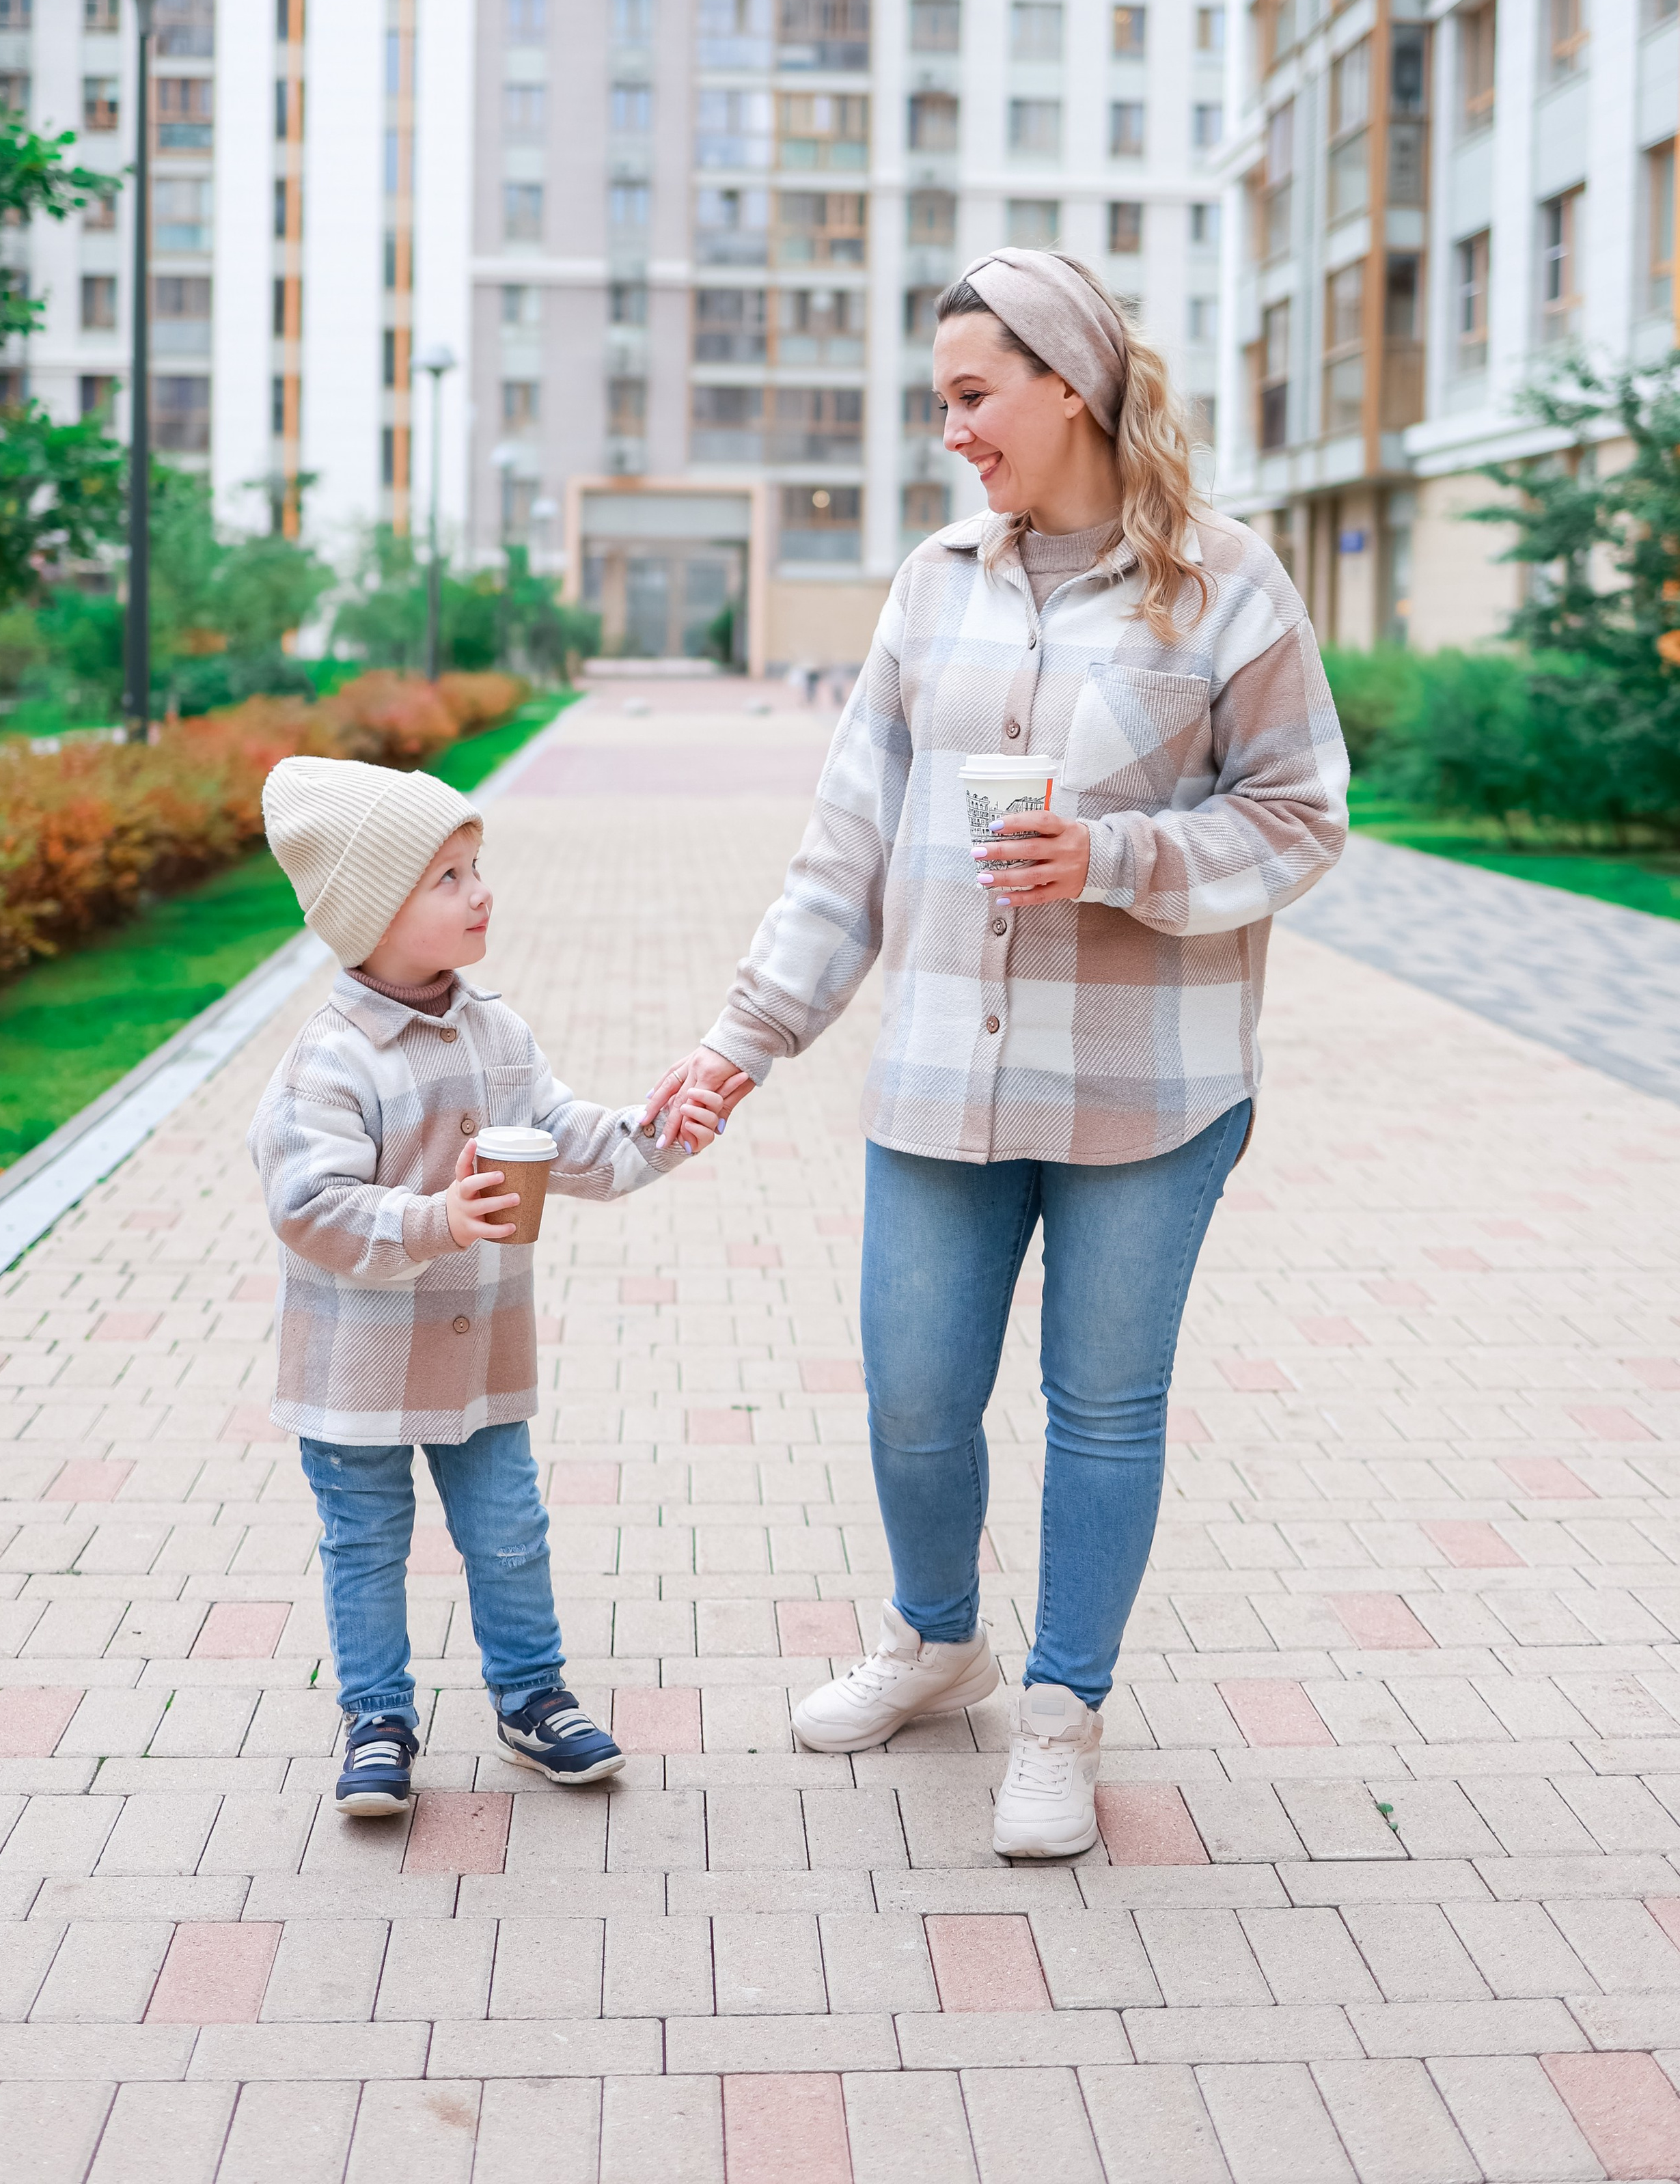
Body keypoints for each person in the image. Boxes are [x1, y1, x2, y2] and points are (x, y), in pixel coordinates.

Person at [643, 247, 1347, 1860]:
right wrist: (745, 1038)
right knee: (911, 1394)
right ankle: (933, 1640)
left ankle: (1059, 1711)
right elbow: (847, 842)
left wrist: (1114, 856)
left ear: (1068, 386)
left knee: (1101, 1406)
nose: (951, 430)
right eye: (940, 400)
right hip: (939, 1080)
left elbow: (1302, 815)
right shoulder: (932, 582)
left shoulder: (1226, 581)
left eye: (972, 395)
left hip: (1149, 1088)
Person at [251, 754, 731, 1816]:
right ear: (375, 911)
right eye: (450, 877)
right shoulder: (329, 1062)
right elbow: (308, 1204)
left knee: (509, 1531)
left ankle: (531, 1696)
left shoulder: (496, 1031)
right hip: (358, 1370)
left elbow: (565, 1137)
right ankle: (378, 1716)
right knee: (366, 1542)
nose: (483, 893)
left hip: (477, 1361)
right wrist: (437, 1219)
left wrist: (659, 1131)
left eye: (478, 868)